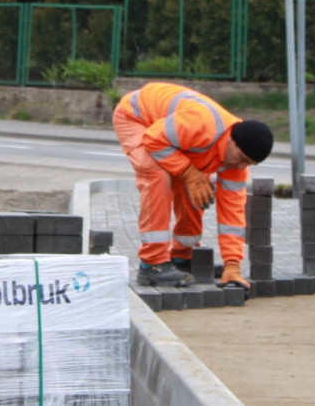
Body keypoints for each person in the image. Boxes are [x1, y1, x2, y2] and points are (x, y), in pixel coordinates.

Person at [113, 82, 273, 290]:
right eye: (241, 158)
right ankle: (152, 264)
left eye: (249, 164)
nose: (241, 166)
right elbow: (153, 139)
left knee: (199, 184)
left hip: (168, 133)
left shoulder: (237, 163)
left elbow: (232, 216)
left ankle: (182, 256)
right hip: (136, 116)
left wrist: (232, 265)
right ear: (231, 141)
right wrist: (189, 173)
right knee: (158, 175)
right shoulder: (202, 125)